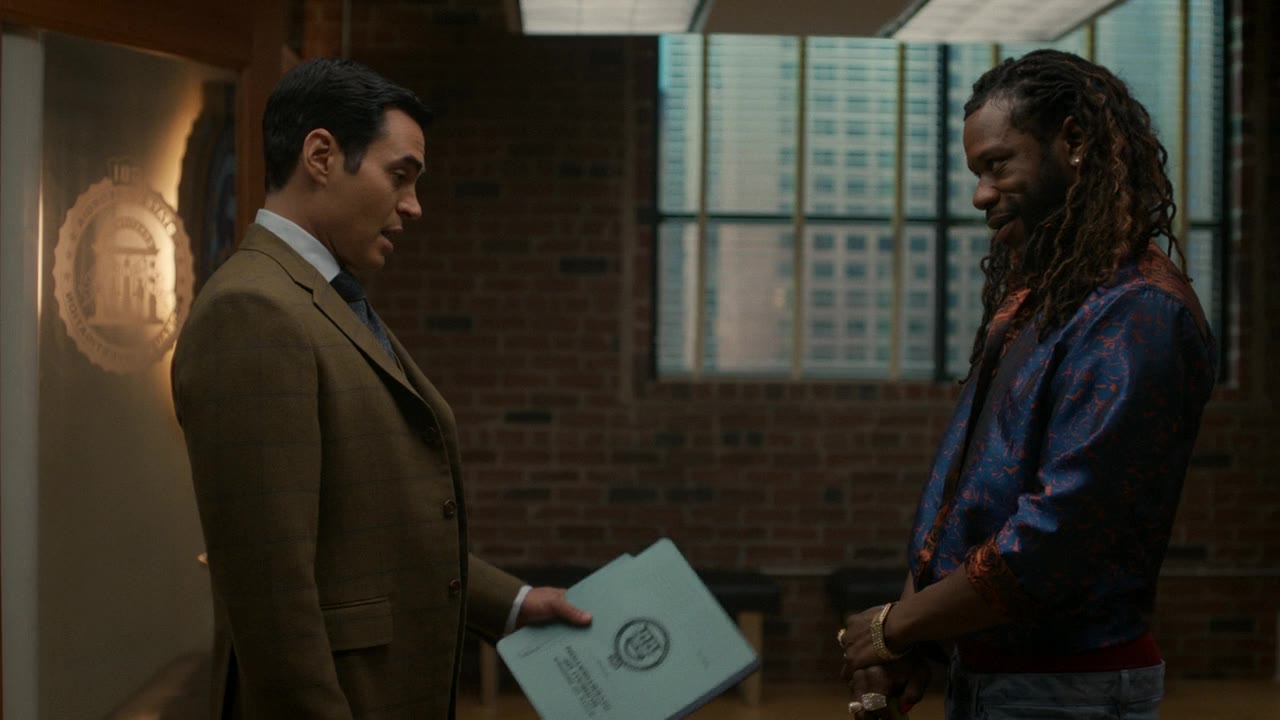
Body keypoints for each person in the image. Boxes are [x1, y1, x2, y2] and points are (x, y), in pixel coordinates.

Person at [171, 57, 591, 720]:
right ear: (321, 156)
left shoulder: (322, 296)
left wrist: (513, 604)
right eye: (401, 176)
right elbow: (273, 602)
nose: (414, 206)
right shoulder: (252, 312)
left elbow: (379, 526)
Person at [837, 49, 1217, 720]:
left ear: (1072, 141)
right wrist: (919, 639)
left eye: (998, 165)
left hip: (1069, 690)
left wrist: (895, 626)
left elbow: (1058, 536)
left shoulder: (1138, 311)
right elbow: (966, 498)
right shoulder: (1042, 298)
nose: (981, 194)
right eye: (976, 173)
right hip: (996, 679)